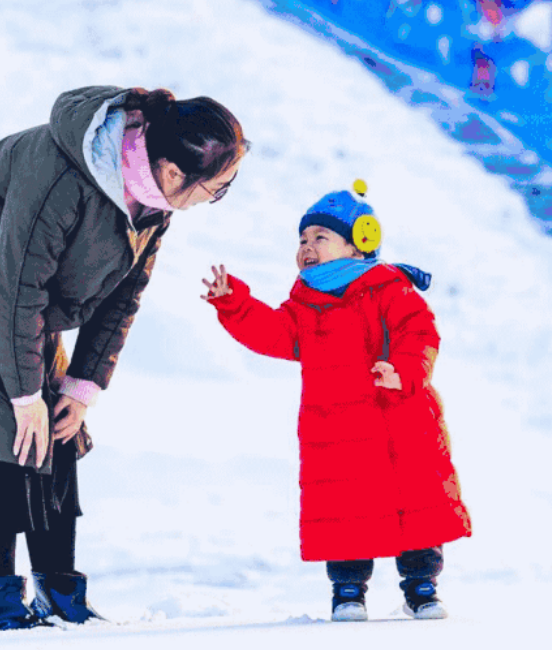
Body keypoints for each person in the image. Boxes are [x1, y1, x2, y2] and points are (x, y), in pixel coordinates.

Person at [0, 85, 250, 630]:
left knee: (59, 427)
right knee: (3, 430)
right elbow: (18, 286)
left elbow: (124, 293)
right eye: (215, 190)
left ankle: (59, 590)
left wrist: (80, 387)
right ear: (172, 172)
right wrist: (25, 393)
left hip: (14, 302)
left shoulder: (152, 199)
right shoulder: (62, 175)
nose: (213, 200)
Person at [201, 182, 471, 622]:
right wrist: (235, 304)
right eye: (302, 240)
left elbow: (421, 334)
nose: (307, 248)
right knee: (345, 509)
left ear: (359, 242)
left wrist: (402, 370)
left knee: (414, 502)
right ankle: (348, 589)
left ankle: (421, 585)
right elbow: (273, 333)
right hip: (336, 428)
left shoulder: (389, 288)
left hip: (397, 417)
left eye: (320, 238)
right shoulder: (304, 303)